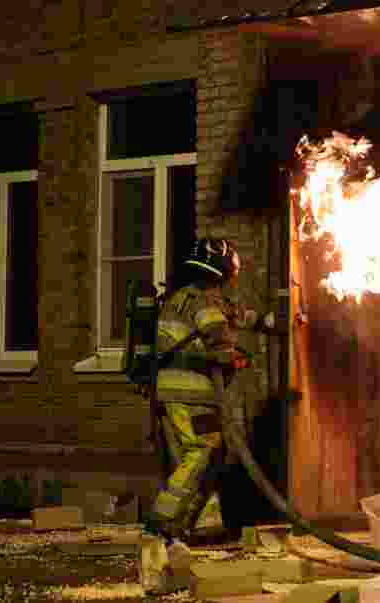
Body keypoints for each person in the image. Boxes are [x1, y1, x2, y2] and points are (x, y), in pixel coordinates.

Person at [138, 237, 274, 594]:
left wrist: (268, 321)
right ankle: (160, 525)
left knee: (201, 455)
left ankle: (179, 534)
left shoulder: (185, 297)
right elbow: (220, 343)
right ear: (226, 270)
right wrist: (238, 357)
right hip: (189, 394)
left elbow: (234, 315)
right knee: (201, 452)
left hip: (175, 392)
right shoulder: (205, 302)